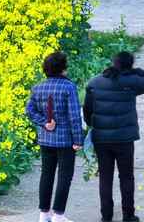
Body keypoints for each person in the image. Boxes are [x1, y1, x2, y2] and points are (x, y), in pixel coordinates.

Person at [83, 51, 144, 222]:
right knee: (126, 177)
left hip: (101, 139)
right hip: (124, 139)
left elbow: (87, 110)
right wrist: (135, 71)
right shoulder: (131, 82)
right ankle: (128, 215)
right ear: (129, 65)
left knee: (105, 178)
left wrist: (93, 124)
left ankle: (106, 216)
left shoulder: (95, 82)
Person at [26, 52, 84, 222]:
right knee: (65, 176)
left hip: (46, 139)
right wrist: (78, 140)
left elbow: (30, 111)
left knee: (46, 175)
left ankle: (43, 214)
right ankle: (58, 215)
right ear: (63, 69)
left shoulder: (38, 87)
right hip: (65, 141)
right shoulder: (68, 87)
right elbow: (74, 116)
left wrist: (44, 123)